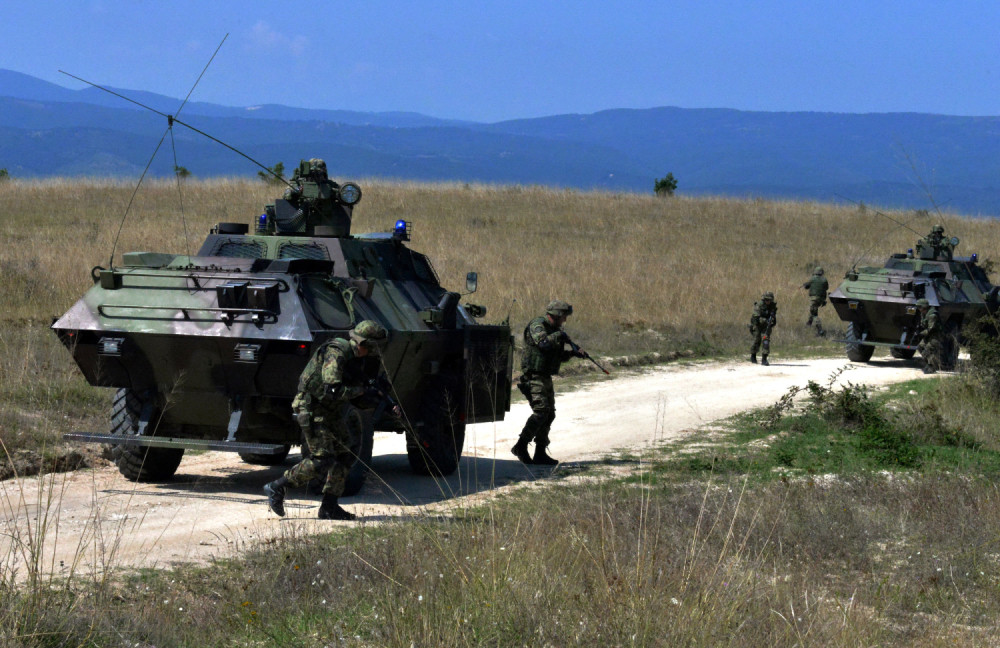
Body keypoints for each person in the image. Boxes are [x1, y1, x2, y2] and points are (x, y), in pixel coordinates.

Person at [264, 320, 390, 520]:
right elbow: (332, 389)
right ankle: (277, 486)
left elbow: (352, 393)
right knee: (322, 458)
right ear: (365, 344)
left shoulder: (356, 359)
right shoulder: (336, 353)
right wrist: (362, 391)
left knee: (345, 454)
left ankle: (329, 507)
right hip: (312, 407)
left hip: (329, 409)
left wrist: (375, 396)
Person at [512, 300, 585, 465]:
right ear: (557, 315)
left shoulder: (554, 331)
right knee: (541, 411)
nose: (565, 320)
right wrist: (560, 336)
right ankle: (521, 446)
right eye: (564, 317)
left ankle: (540, 452)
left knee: (549, 414)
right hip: (533, 376)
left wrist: (573, 354)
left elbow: (555, 355)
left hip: (545, 376)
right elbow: (543, 344)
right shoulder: (538, 325)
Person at [282, 158, 352, 236]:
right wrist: (298, 191)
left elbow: (345, 195)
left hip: (327, 228)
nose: (317, 177)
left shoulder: (330, 185)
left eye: (320, 174)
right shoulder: (299, 183)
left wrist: (333, 193)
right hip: (300, 226)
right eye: (313, 174)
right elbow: (287, 194)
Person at [749, 292, 778, 366]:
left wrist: (772, 320)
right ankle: (753, 355)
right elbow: (756, 317)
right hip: (757, 325)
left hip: (766, 326)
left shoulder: (772, 306)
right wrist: (765, 320)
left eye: (769, 300)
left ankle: (764, 358)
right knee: (757, 340)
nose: (768, 302)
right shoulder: (759, 305)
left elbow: (773, 315)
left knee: (766, 340)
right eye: (766, 300)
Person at [915, 298, 943, 374]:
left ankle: (932, 366)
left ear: (924, 307)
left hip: (935, 336)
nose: (919, 309)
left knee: (928, 350)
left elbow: (931, 329)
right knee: (920, 347)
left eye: (919, 307)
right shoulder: (924, 314)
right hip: (928, 335)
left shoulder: (932, 315)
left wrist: (921, 333)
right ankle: (929, 364)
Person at [802, 267, 828, 336]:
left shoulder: (812, 279)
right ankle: (808, 324)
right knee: (813, 310)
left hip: (814, 299)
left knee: (814, 314)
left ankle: (820, 330)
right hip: (821, 300)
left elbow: (807, 286)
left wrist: (805, 285)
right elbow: (826, 288)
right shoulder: (824, 280)